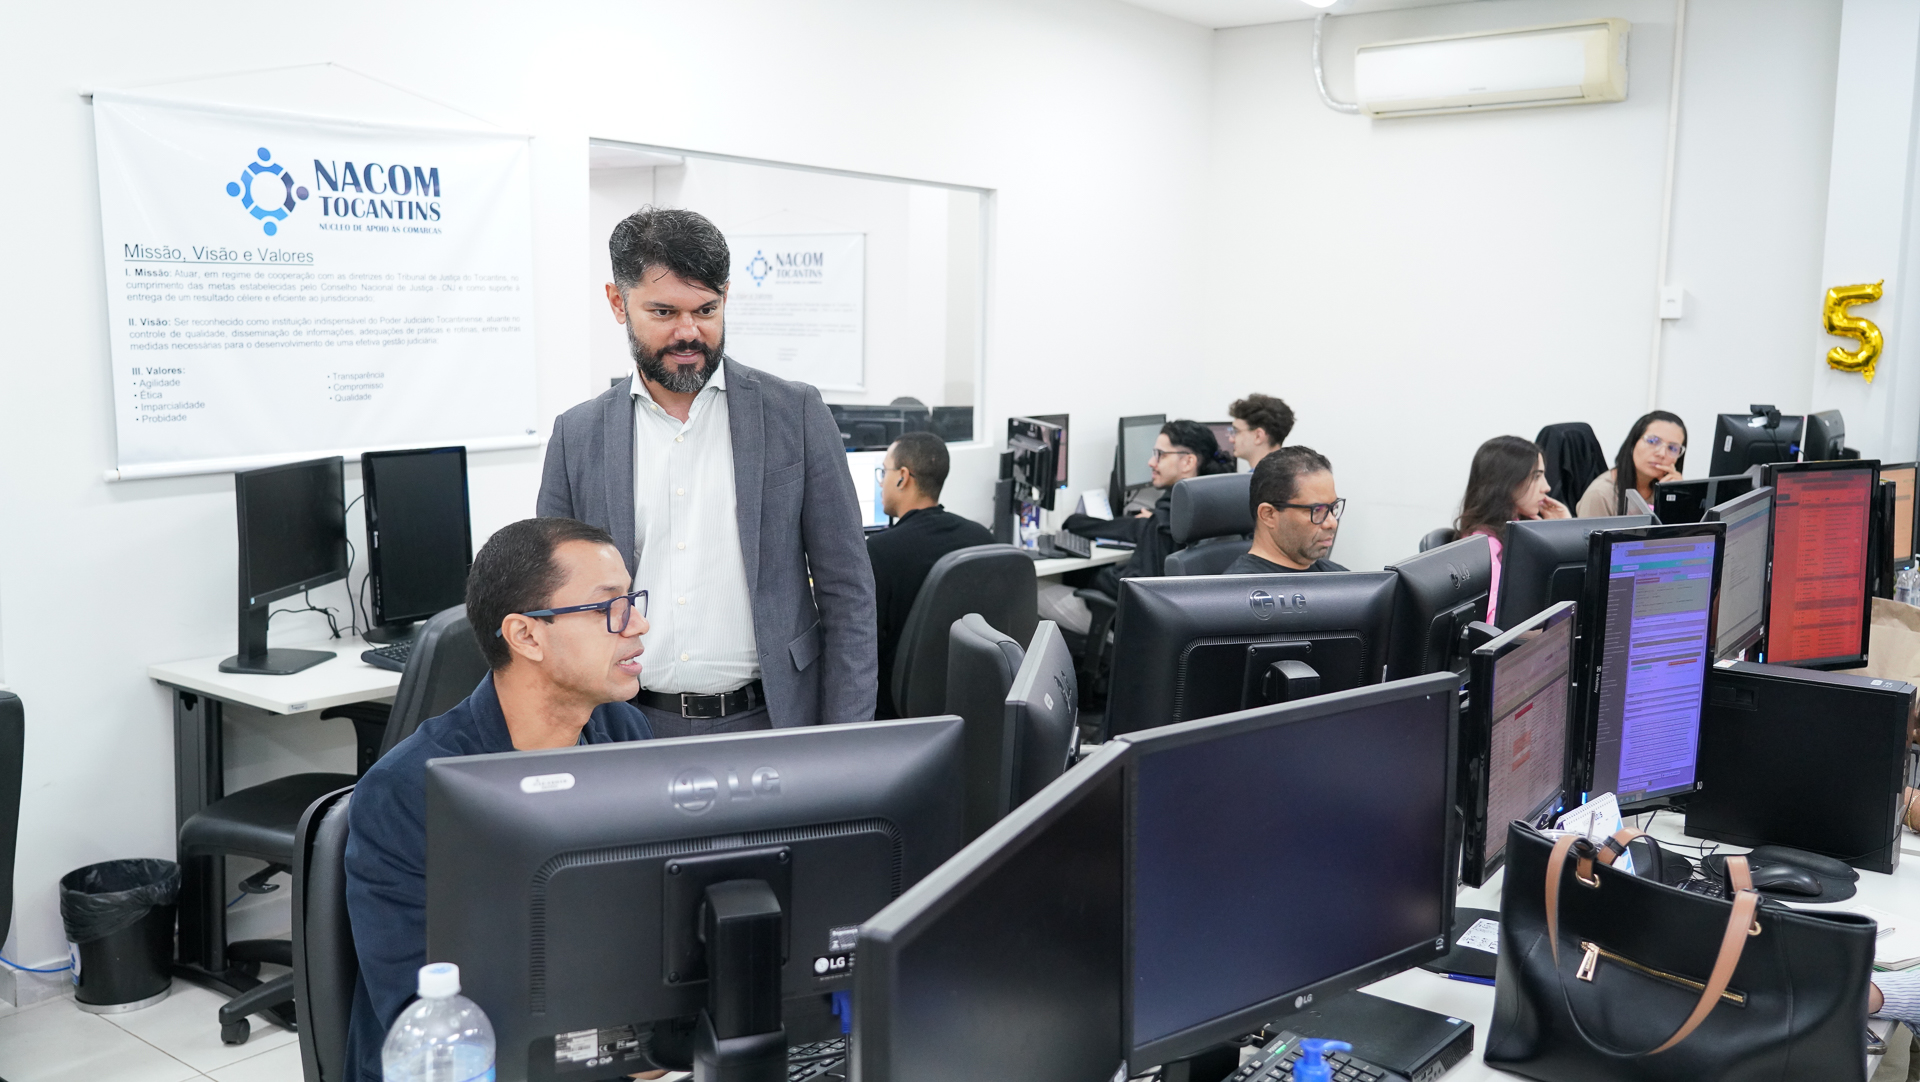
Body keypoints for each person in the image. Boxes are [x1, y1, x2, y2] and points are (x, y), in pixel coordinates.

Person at [538, 206, 877, 736]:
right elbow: (556, 606)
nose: (689, 332)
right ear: (617, 303)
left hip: (773, 721)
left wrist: (847, 739)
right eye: (664, 312)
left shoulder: (796, 414)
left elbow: (848, 591)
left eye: (706, 309)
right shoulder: (576, 437)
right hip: (626, 727)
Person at [344, 518, 660, 1082]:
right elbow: (425, 1020)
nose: (638, 623)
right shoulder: (409, 793)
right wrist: (620, 1045)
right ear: (527, 636)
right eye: (609, 606)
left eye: (633, 599)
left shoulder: (623, 732)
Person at [865, 432, 995, 717]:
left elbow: (862, 648)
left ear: (902, 477)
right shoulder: (982, 537)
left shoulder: (880, 552)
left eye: (883, 472)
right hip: (970, 703)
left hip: (899, 716)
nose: (881, 482)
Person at [1065, 420, 1235, 599]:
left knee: (1044, 591)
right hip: (1193, 614)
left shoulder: (1163, 520)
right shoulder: (1218, 505)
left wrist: (1093, 577)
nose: (1151, 462)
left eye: (1160, 454)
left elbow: (1136, 587)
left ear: (1188, 462)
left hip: (1131, 620)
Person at [1455, 436, 1570, 623]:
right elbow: (1496, 622)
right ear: (1507, 481)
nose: (1547, 487)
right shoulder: (1486, 546)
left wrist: (1561, 529)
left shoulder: (1521, 529)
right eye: (1536, 476)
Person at [1226, 446, 1349, 574]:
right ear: (1269, 515)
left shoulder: (1345, 582)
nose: (1332, 523)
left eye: (1333, 507)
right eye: (1317, 510)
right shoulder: (1238, 590)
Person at [1575, 411, 1688, 518]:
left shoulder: (1666, 489)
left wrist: (1679, 498)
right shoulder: (1600, 494)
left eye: (1673, 448)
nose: (1662, 454)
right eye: (1653, 441)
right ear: (1633, 443)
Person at [1228, 393, 1295, 469]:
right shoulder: (1293, 476)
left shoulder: (1252, 480)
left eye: (1237, 432)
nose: (1231, 439)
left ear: (1258, 436)